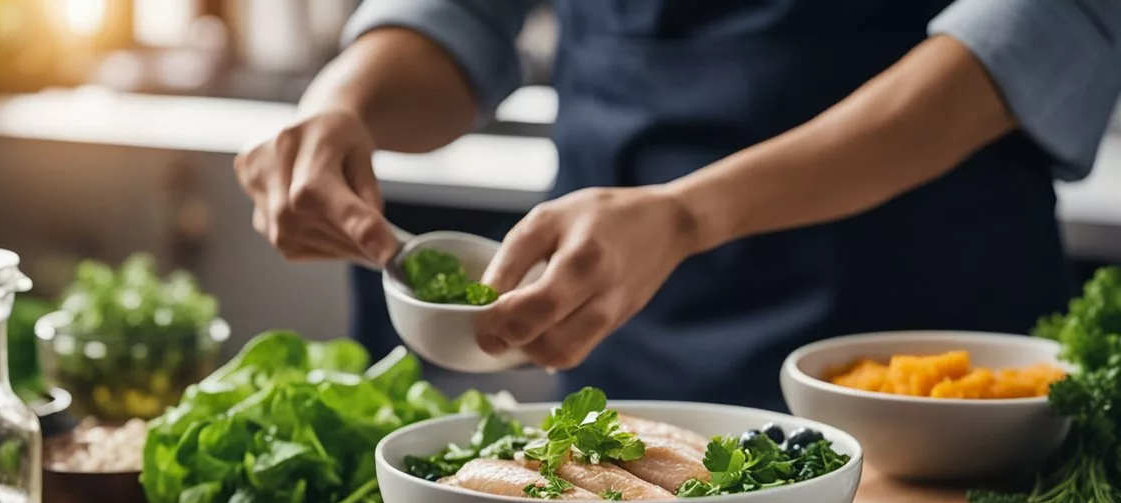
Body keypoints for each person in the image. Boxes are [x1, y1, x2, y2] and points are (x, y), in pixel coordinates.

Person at [235, 0, 1121, 408]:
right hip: (626, 352)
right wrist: (340, 103)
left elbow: (1034, 31)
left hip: (920, 341)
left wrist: (692, 212)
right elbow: (458, 16)